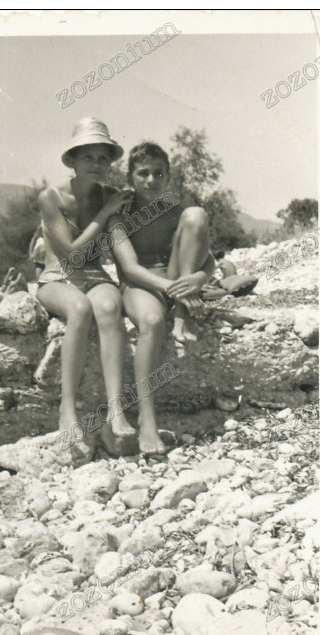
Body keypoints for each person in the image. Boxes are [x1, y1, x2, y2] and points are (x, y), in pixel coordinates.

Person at [110, 142, 215, 455]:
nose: (151, 180)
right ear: (130, 177)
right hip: (140, 284)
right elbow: (129, 268)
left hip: (175, 281)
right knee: (153, 321)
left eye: (159, 173)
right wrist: (172, 288)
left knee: (197, 214)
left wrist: (200, 277)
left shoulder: (175, 213)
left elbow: (207, 259)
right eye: (143, 173)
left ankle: (183, 311)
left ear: (168, 177)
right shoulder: (119, 216)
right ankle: (147, 417)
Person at [36, 117, 135, 444]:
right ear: (74, 161)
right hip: (58, 277)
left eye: (103, 158)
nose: (97, 164)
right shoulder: (50, 197)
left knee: (109, 306)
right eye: (88, 157)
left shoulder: (110, 195)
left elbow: (121, 250)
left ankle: (116, 408)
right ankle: (67, 408)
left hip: (96, 276)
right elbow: (72, 254)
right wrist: (105, 213)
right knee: (79, 308)